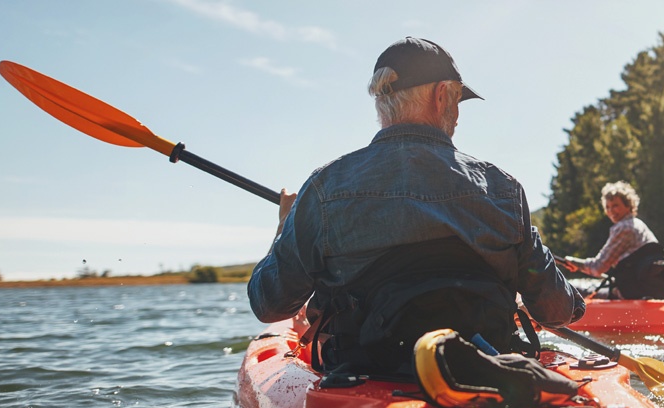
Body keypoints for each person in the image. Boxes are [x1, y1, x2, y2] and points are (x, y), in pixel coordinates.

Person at [247, 37, 584, 377]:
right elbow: (555, 309)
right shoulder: (503, 189)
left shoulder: (323, 189)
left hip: (366, 375)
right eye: (457, 101)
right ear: (441, 96)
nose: (457, 114)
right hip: (486, 371)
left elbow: (269, 303)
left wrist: (285, 227)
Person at [559, 181, 664, 299]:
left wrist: (575, 263)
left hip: (630, 293)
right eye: (607, 207)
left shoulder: (623, 228)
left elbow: (598, 267)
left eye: (615, 205)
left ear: (628, 205)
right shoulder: (639, 225)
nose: (611, 211)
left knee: (568, 288)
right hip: (648, 289)